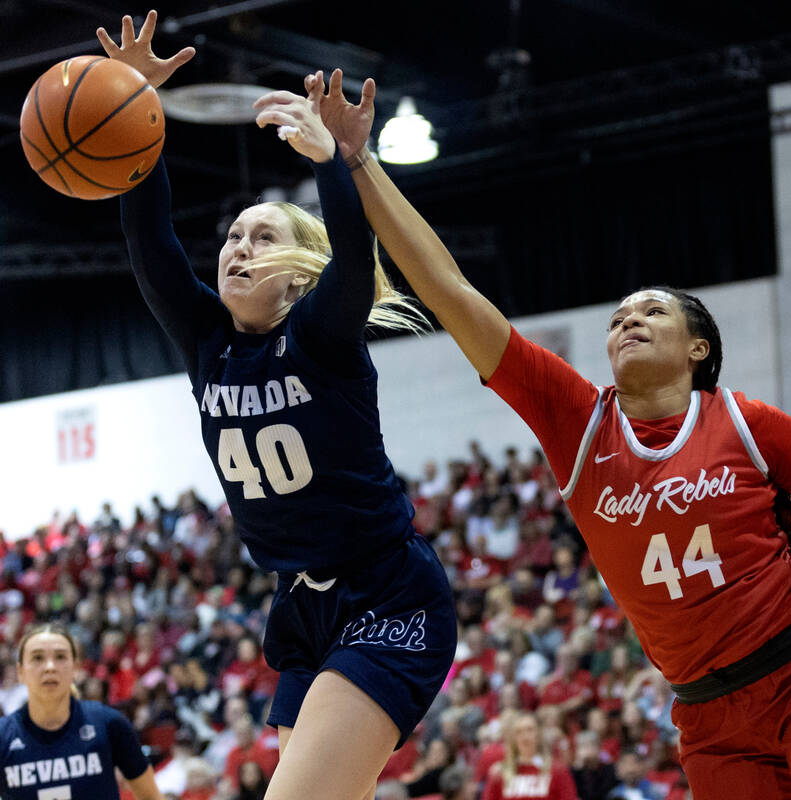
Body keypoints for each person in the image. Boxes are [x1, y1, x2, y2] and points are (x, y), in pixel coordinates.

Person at [297, 69, 791, 800]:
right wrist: (359, 165)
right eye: (618, 317)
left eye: (651, 310)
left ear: (698, 347)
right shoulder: (574, 420)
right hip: (708, 713)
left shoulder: (750, 426)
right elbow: (447, 287)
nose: (627, 321)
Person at [95, 13, 456, 800]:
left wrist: (332, 161)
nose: (235, 249)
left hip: (387, 595)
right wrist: (132, 112)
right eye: (230, 237)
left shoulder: (321, 335)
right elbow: (150, 241)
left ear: (297, 274)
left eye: (260, 239)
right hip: (300, 605)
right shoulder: (206, 343)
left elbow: (354, 265)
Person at [0, 624, 165, 800]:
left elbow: (151, 797)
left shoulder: (109, 723)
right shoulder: (3, 735)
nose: (50, 667)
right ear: (20, 671)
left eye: (60, 657)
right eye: (38, 658)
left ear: (76, 667)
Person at [480, 712, 578, 800]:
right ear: (513, 738)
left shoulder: (558, 770)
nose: (525, 736)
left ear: (539, 734)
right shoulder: (499, 773)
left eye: (530, 730)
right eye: (519, 732)